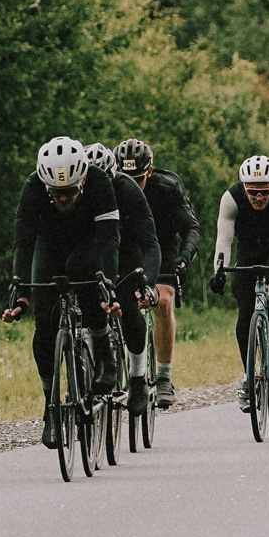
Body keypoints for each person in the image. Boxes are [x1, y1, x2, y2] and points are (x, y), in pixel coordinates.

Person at [1, 137, 122, 449]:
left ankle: (103, 348)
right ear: (45, 185)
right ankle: (51, 405)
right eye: (57, 193)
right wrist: (20, 292)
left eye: (70, 192)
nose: (64, 199)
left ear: (82, 179)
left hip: (89, 241)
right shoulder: (32, 188)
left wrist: (108, 283)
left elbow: (109, 240)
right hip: (49, 244)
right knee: (44, 325)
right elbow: (23, 242)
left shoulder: (99, 183)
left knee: (84, 275)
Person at [211, 155, 269, 412]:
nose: (259, 198)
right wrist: (219, 270)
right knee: (245, 310)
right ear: (244, 188)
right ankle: (249, 377)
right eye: (253, 192)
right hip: (248, 250)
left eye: (265, 192)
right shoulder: (232, 198)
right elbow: (224, 240)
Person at [115, 139, 198, 407]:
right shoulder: (111, 187)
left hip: (160, 249)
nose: (131, 184)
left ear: (149, 172)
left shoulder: (167, 187)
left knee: (162, 301)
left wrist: (184, 259)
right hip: (127, 250)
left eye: (137, 178)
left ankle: (164, 375)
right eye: (126, 177)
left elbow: (191, 228)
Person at [87, 143, 160, 414]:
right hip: (95, 253)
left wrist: (148, 284)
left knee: (129, 309)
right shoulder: (80, 192)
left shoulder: (129, 191)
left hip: (128, 254)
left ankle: (138, 377)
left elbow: (151, 245)